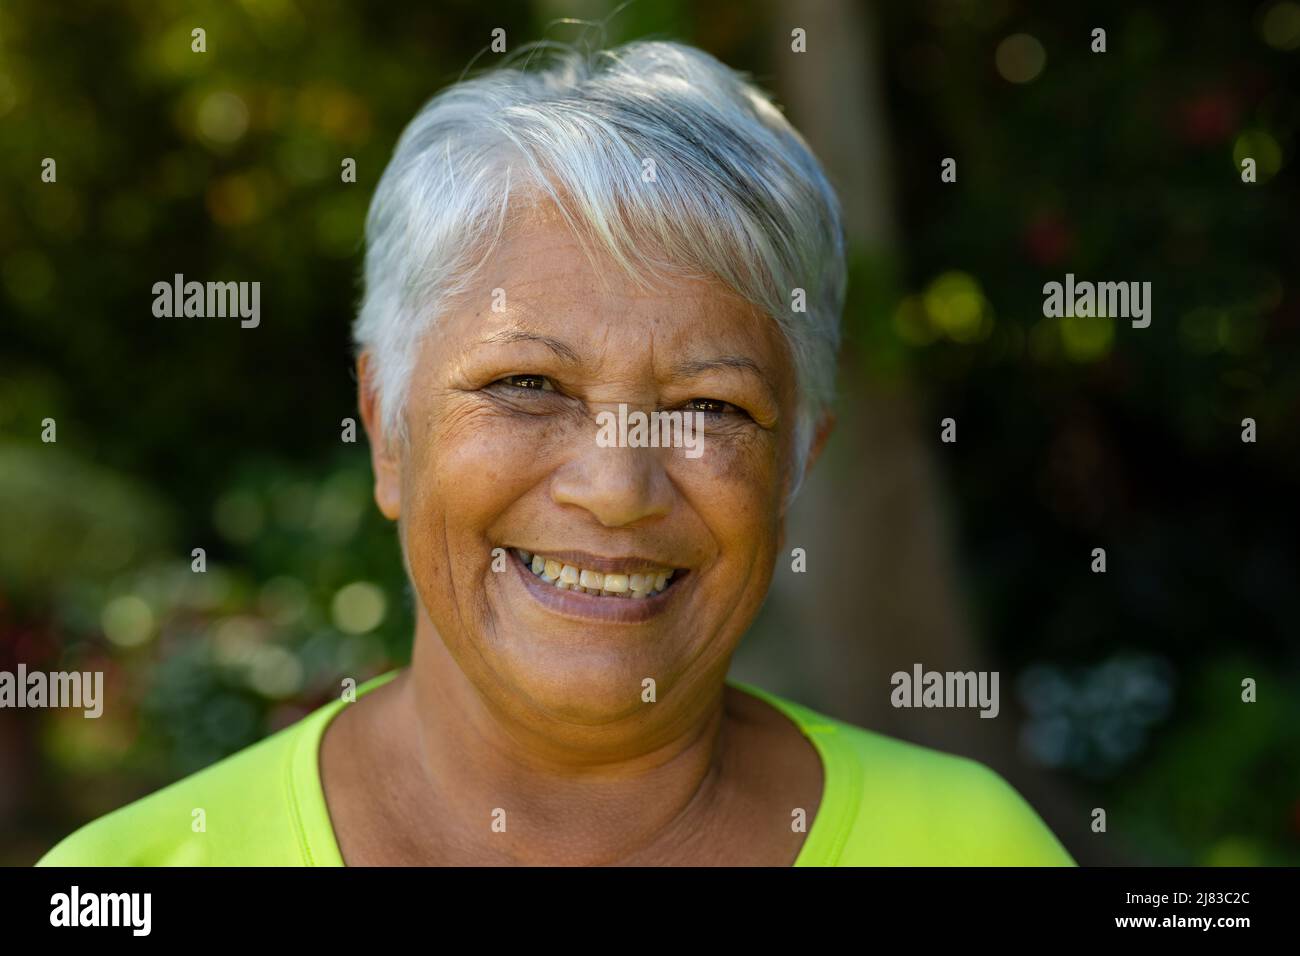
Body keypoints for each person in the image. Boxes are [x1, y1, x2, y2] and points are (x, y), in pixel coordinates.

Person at [39, 40, 1073, 866]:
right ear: (387, 426)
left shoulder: (974, 848)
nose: (616, 487)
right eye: (528, 386)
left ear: (796, 458)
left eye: (709, 404)